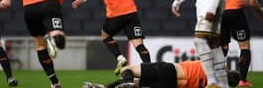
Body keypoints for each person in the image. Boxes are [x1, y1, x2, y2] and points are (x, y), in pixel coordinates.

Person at [83, 60, 240, 88]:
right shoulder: (212, 86)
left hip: (169, 70)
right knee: (137, 85)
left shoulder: (213, 66)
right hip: (170, 86)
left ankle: (128, 83)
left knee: (127, 70)